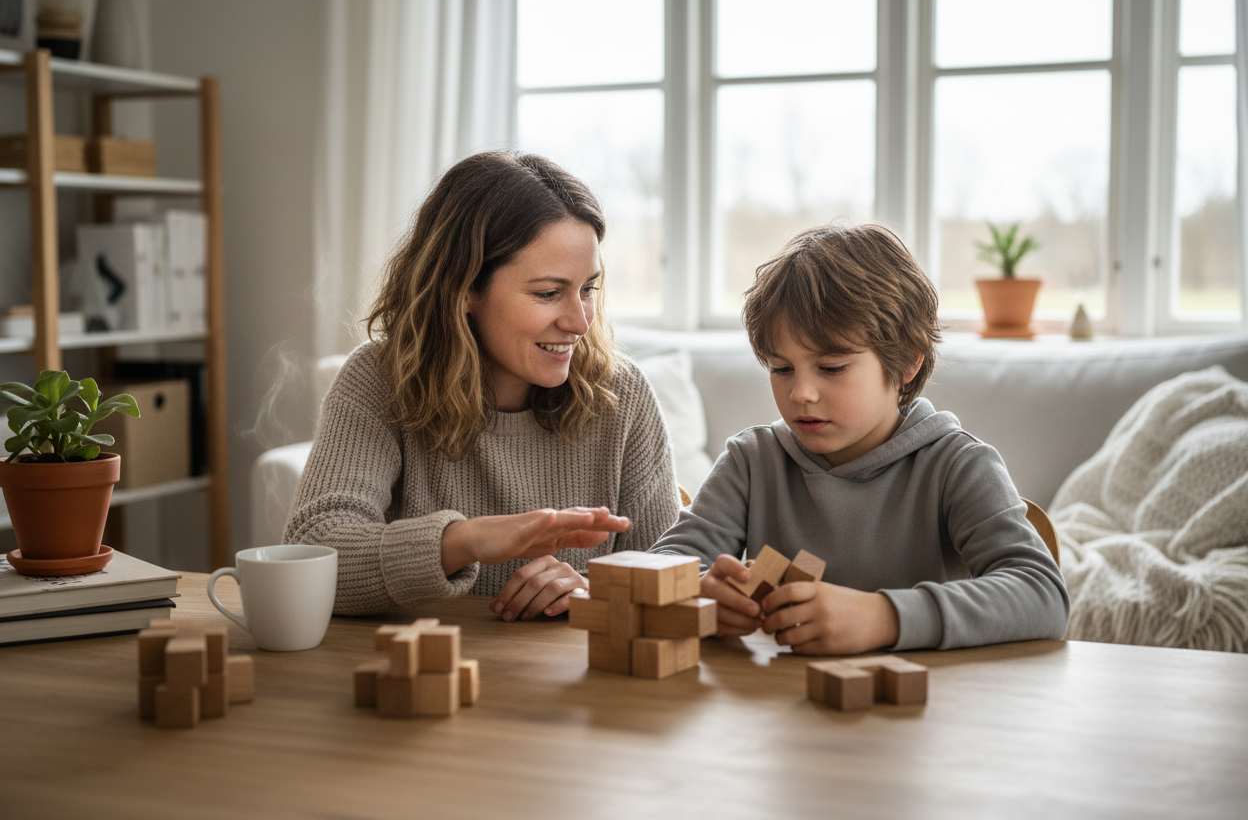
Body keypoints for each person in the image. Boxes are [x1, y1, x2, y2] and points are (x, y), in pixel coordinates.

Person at [284, 151, 681, 620]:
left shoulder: (622, 395)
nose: (579, 322)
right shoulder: (379, 380)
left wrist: (594, 593)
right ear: (465, 288)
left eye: (588, 289)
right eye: (548, 293)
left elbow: (671, 575)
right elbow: (312, 555)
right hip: (423, 663)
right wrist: (465, 541)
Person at [648, 224, 1069, 654]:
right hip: (779, 694)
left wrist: (885, 617)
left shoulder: (957, 465)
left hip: (923, 695)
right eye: (781, 369)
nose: (801, 393)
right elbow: (662, 565)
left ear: (907, 363)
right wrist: (701, 593)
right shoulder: (752, 463)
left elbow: (1042, 595)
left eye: (831, 368)